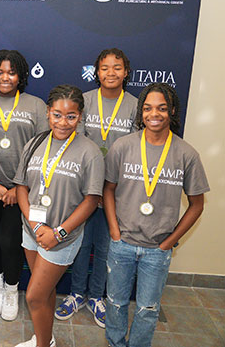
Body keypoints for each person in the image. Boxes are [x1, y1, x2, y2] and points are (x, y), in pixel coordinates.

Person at [104, 83, 209, 347]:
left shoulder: (187, 154)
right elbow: (108, 190)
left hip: (157, 250)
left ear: (172, 110)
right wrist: (115, 232)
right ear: (141, 112)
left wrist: (168, 241)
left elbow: (197, 204)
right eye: (148, 108)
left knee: (147, 309)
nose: (155, 114)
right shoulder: (123, 146)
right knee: (115, 303)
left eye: (162, 108)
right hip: (122, 244)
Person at [13, 85, 105, 347]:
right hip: (33, 229)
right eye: (57, 115)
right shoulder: (34, 143)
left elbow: (92, 200)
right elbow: (22, 186)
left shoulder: (90, 152)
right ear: (47, 113)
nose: (63, 123)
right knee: (46, 291)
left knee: (33, 296)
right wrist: (34, 223)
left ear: (80, 116)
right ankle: (46, 339)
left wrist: (59, 232)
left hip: (62, 237)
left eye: (71, 116)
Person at [55, 48, 138, 328]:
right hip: (83, 189)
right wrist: (92, 188)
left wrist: (108, 190)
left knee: (105, 246)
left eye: (117, 68)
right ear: (96, 72)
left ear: (126, 72)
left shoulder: (136, 106)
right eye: (104, 67)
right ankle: (76, 294)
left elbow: (138, 151)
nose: (110, 73)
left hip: (117, 192)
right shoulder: (84, 102)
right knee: (81, 243)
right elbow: (72, 143)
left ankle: (96, 296)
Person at [0, 50, 48, 321]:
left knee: (12, 241)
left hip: (23, 189)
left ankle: (10, 290)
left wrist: (20, 188)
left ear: (21, 75)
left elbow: (42, 149)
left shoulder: (36, 105)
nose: (5, 77)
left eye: (11, 72)